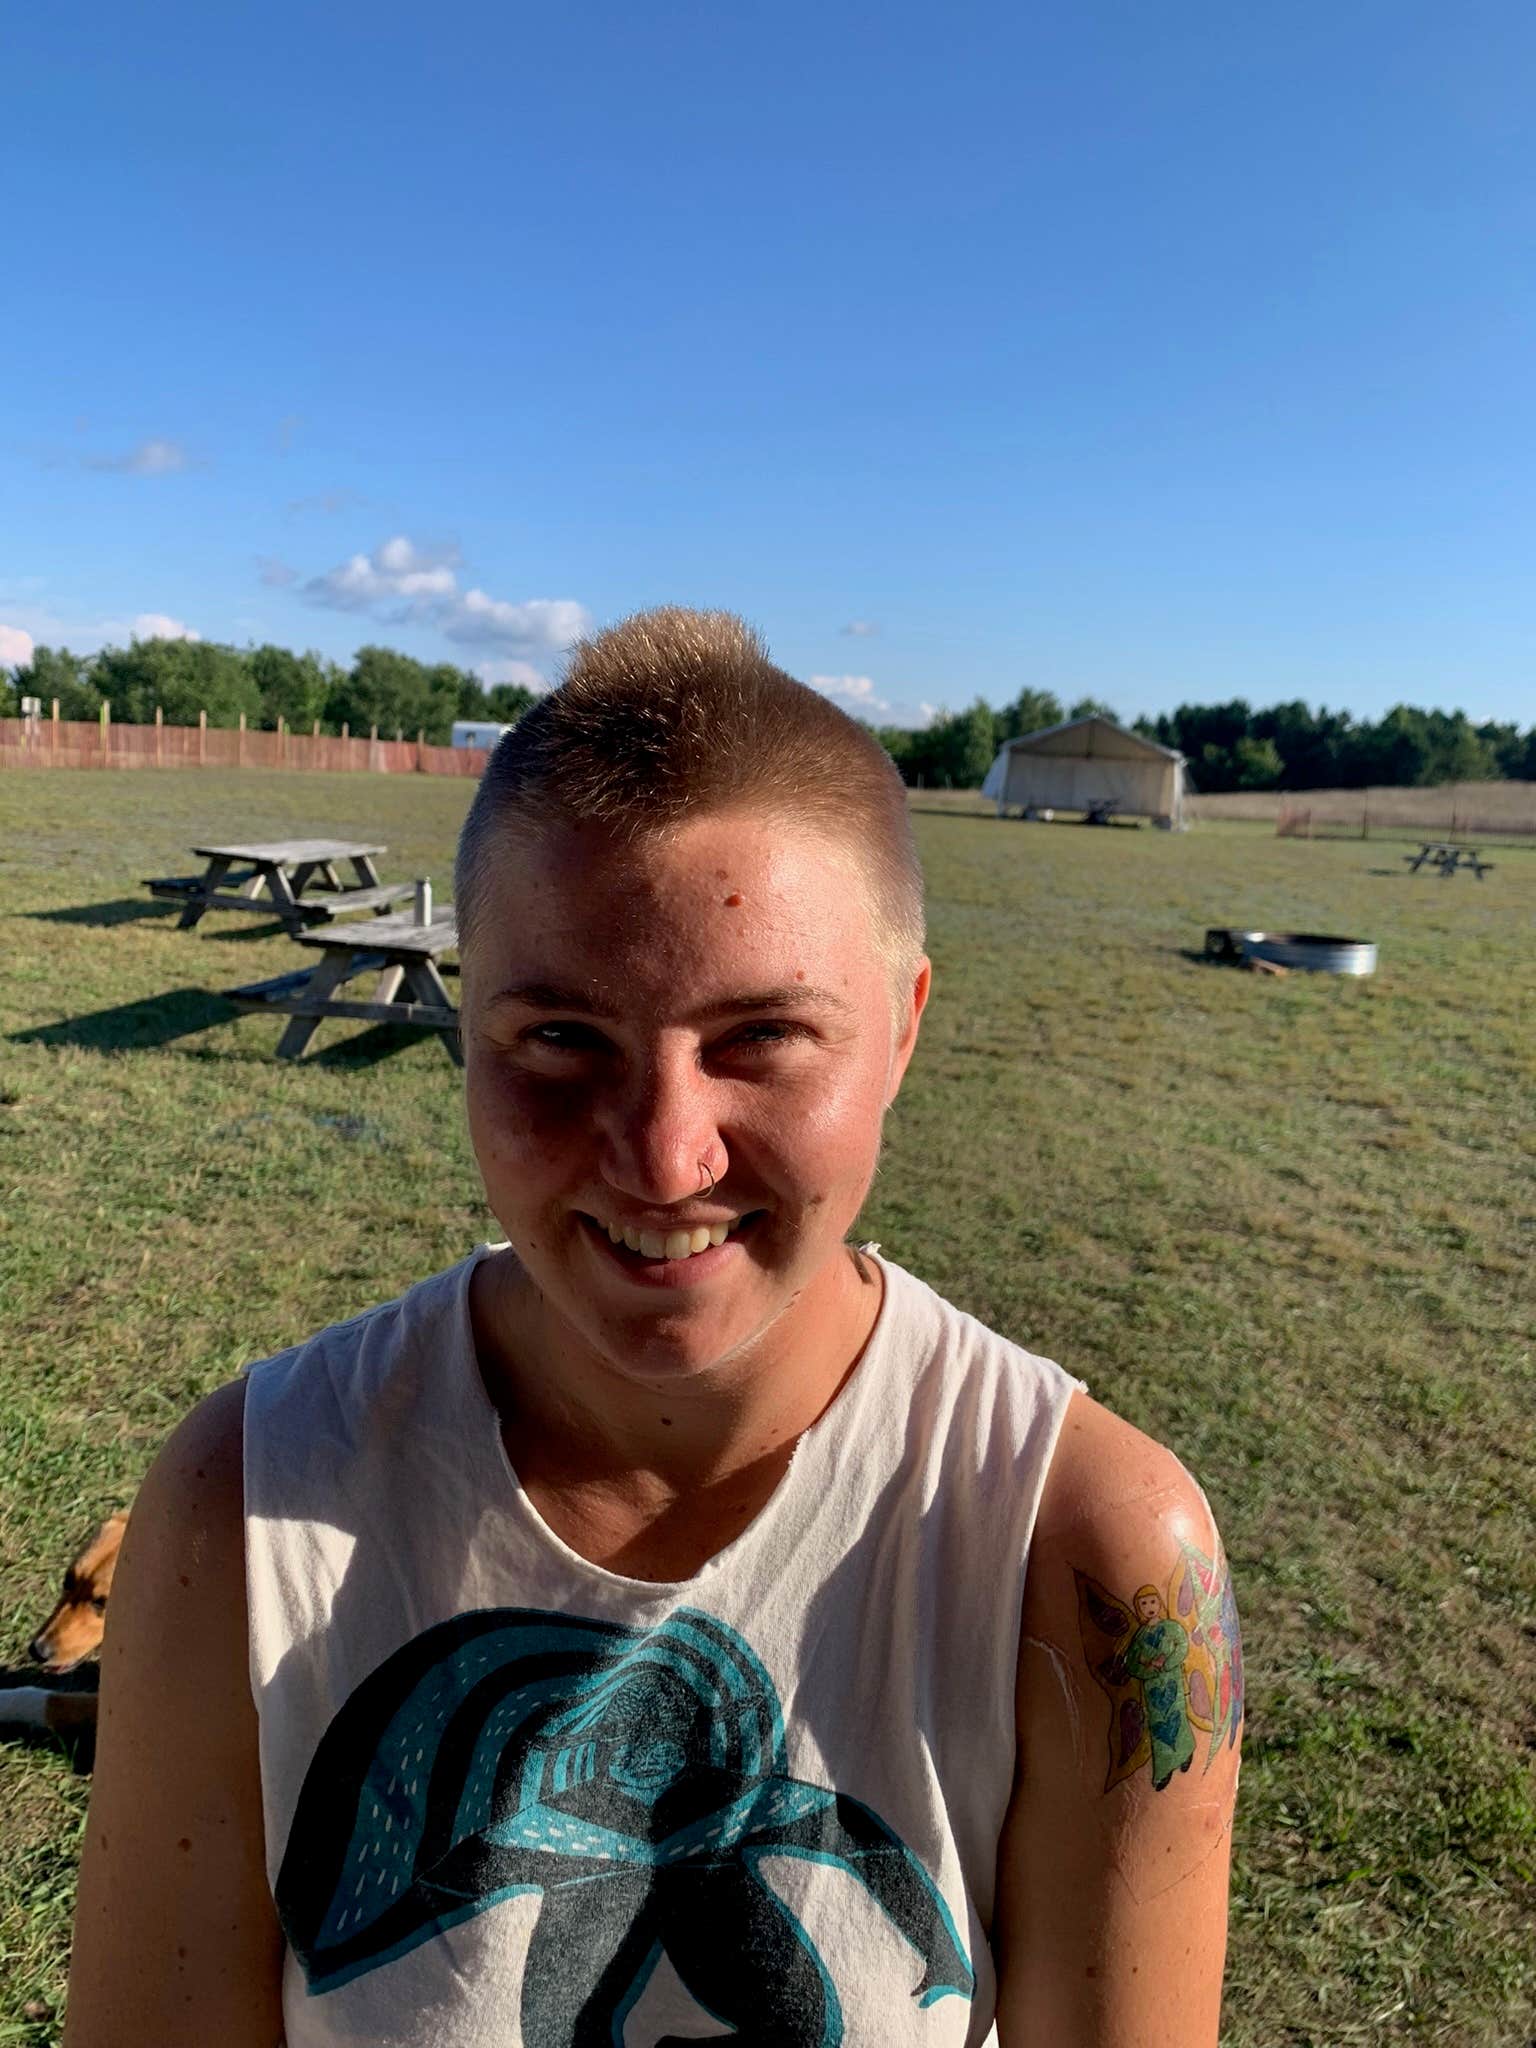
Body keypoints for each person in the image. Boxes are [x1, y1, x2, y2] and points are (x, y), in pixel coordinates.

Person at [64, 609, 1240, 2047]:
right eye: (562, 1038)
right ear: (468, 1023)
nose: (663, 1158)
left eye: (760, 1039)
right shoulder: (242, 1508)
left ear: (903, 1027)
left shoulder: (1092, 1557)